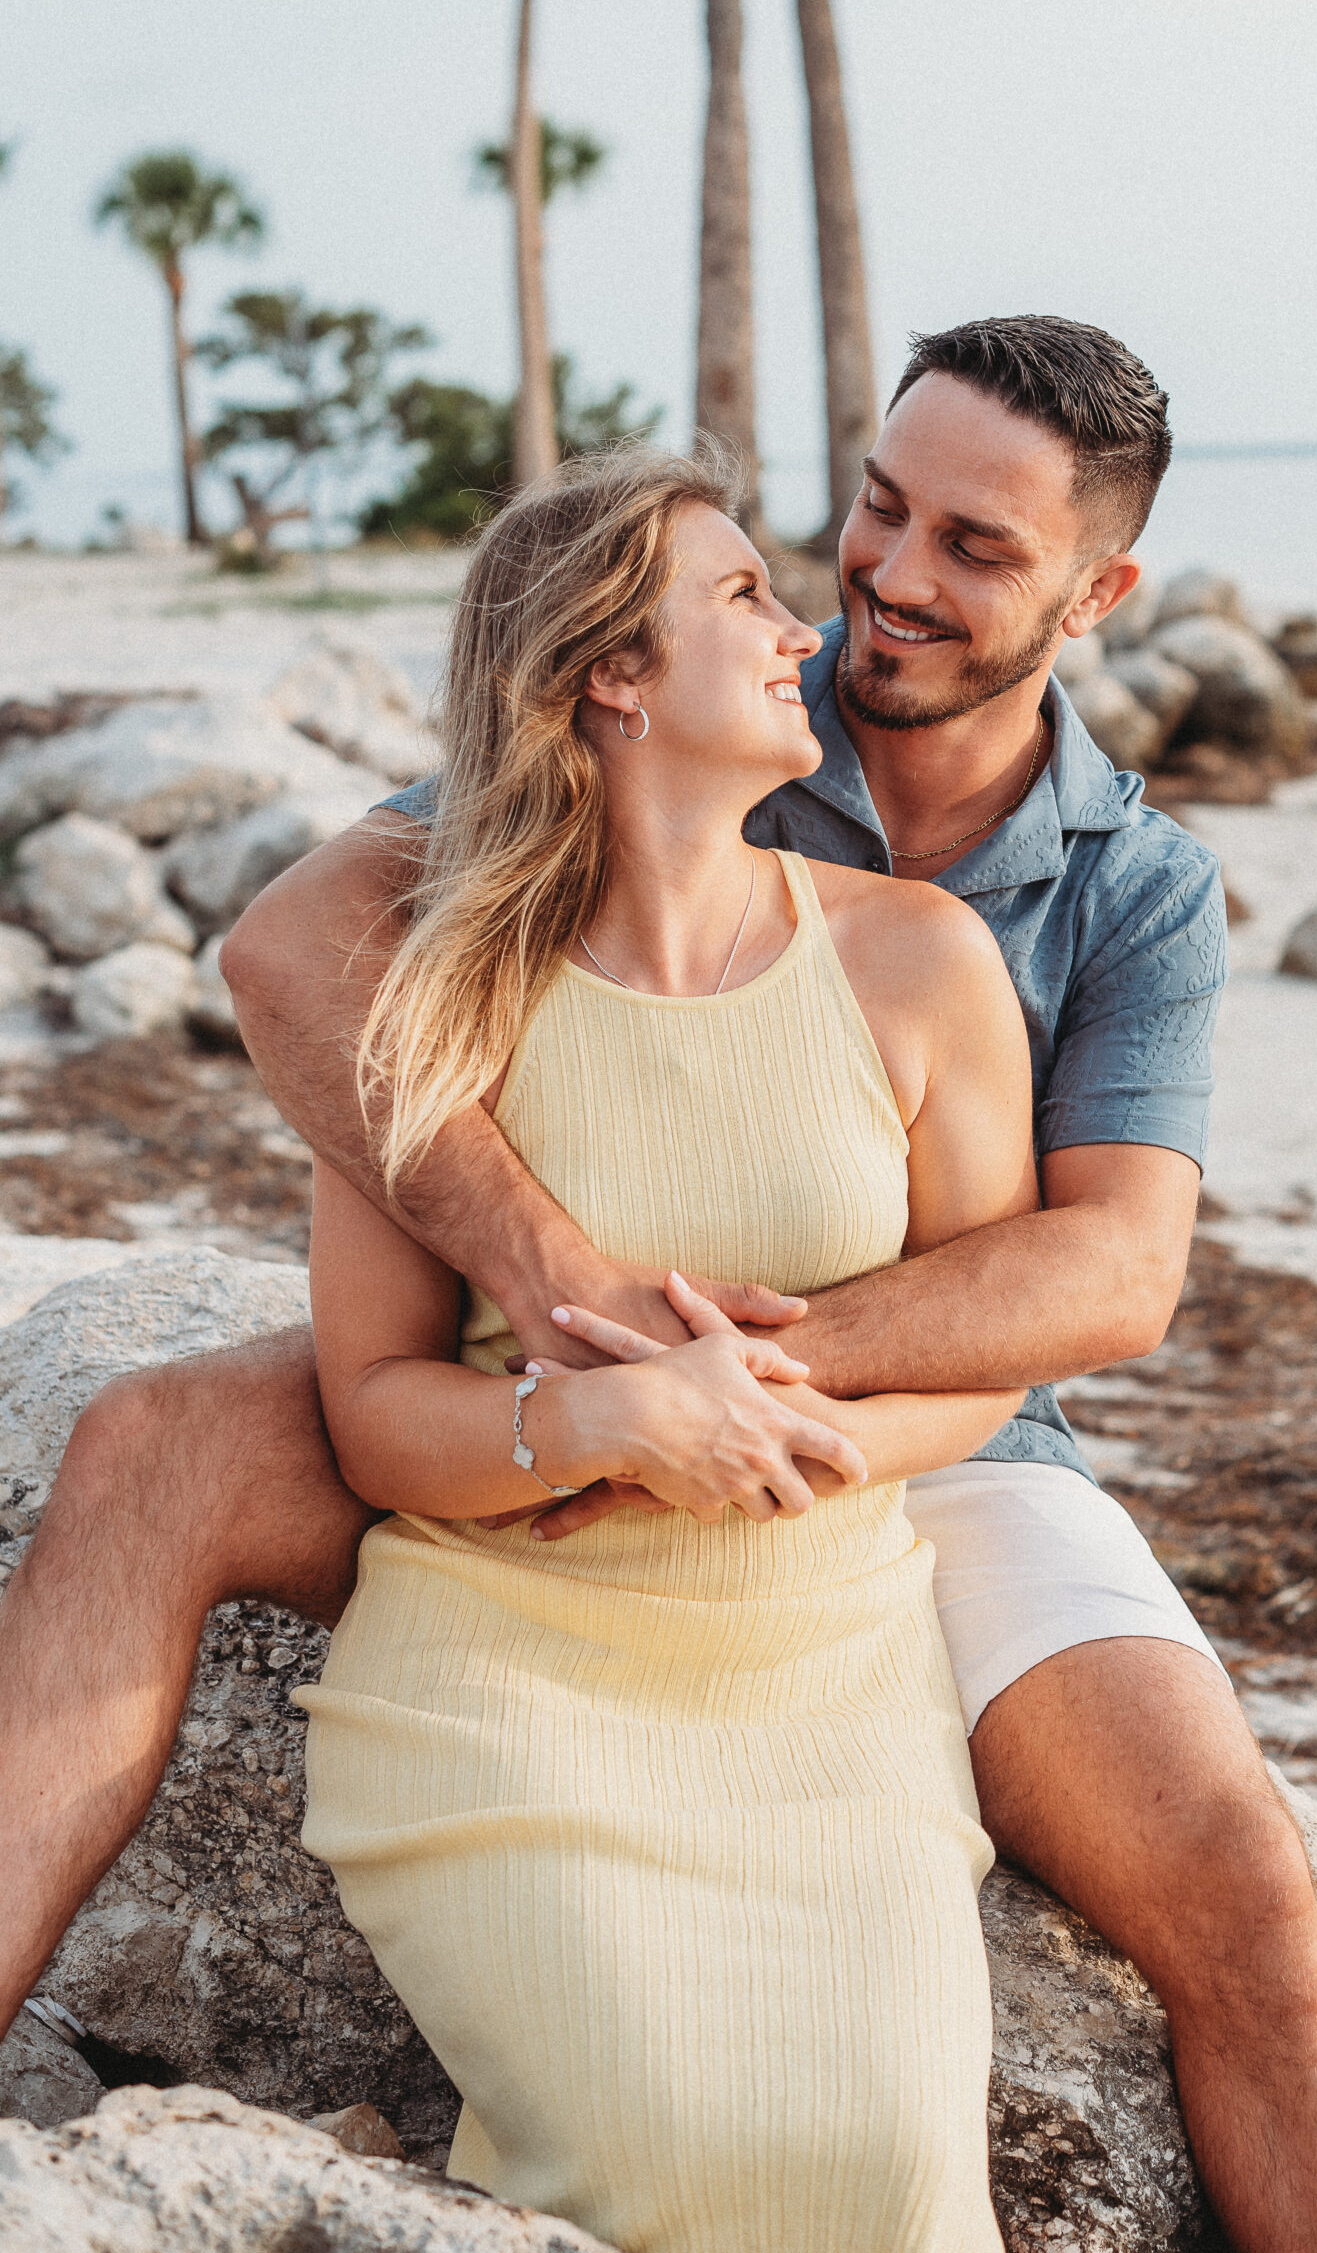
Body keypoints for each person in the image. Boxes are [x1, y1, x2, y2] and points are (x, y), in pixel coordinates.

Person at [0, 316, 1317, 2252]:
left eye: (977, 548)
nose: (887, 576)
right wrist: (566, 1291)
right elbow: (293, 953)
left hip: (942, 1438)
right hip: (559, 1361)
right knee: (155, 1442)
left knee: (1246, 1884)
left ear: (1098, 595)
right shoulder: (684, 682)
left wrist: (752, 1374)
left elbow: (1114, 1265)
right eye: (879, 506)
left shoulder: (1129, 882)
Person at [296, 444, 1033, 2242]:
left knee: (886, 2163)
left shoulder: (921, 960)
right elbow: (377, 1413)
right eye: (741, 596)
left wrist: (784, 1437)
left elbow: (989, 1354)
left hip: (826, 1678)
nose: (806, 631)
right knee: (662, 2143)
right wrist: (611, 1426)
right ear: (610, 674)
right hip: (509, 1677)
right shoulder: (439, 989)